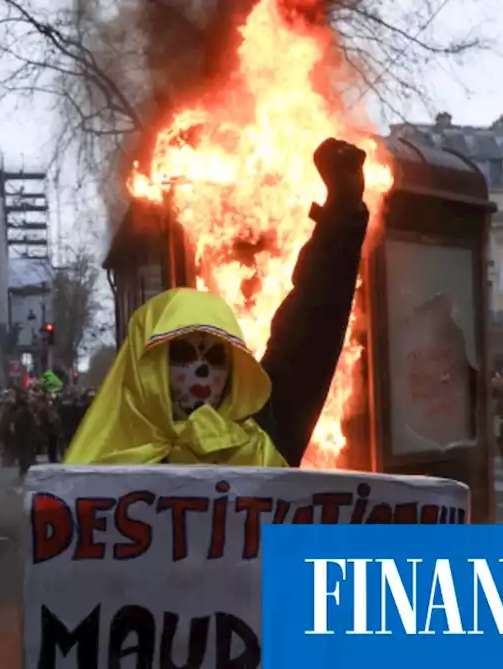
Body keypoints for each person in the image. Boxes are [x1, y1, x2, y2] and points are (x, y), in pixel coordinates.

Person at [66, 138, 371, 467]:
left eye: (215, 357)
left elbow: (308, 337)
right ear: (149, 366)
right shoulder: (110, 460)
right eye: (182, 354)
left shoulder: (259, 443)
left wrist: (342, 217)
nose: (202, 369)